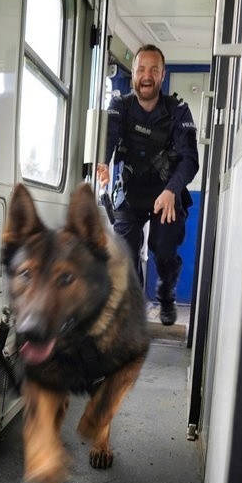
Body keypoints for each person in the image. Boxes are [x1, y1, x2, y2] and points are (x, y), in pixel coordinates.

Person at [97, 45, 199, 326]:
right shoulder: (120, 106)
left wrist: (172, 190)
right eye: (141, 69)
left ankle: (166, 295)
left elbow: (190, 160)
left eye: (154, 70)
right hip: (130, 191)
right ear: (133, 75)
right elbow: (107, 137)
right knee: (126, 255)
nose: (147, 75)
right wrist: (103, 163)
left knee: (163, 249)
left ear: (163, 75)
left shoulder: (178, 110)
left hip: (166, 192)